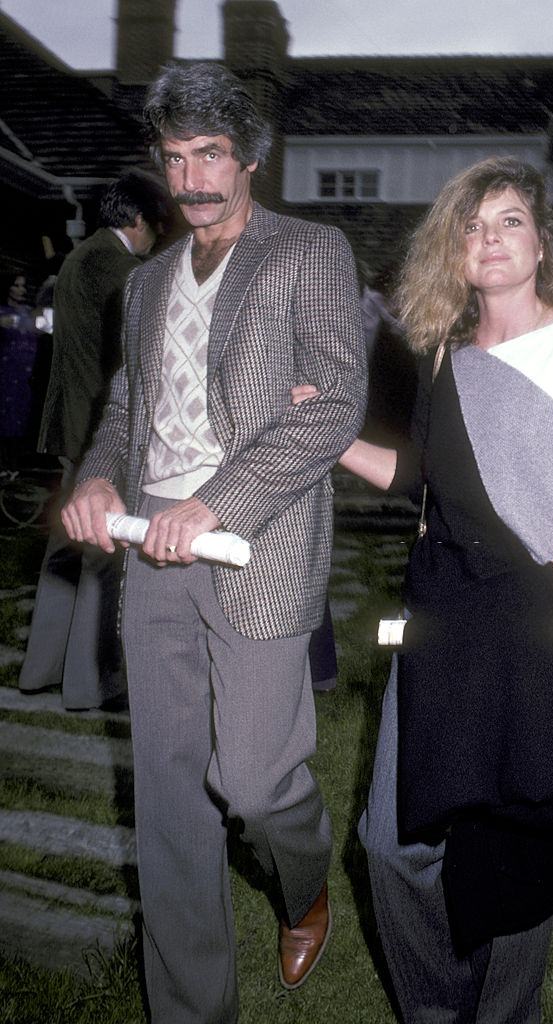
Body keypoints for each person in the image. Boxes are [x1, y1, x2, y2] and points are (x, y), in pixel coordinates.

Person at [293, 157, 553, 1022]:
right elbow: (425, 476)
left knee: (511, 841)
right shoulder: (448, 355)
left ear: (540, 246)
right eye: (471, 224)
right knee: (392, 842)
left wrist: (540, 596)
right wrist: (334, 436)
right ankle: (435, 1009)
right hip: (444, 617)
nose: (488, 238)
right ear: (451, 251)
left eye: (509, 222)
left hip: (529, 620)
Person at [60, 61, 367, 1022]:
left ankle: (303, 881)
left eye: (211, 155)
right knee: (167, 798)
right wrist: (98, 476)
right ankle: (191, 1009)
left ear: (250, 160)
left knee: (255, 780)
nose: (191, 178)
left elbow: (334, 409)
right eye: (176, 156)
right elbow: (124, 409)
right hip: (149, 548)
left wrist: (220, 503)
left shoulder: (307, 253)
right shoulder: (146, 285)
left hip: (256, 549)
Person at [19, 171, 171, 710]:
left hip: (69, 419)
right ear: (138, 220)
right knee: (102, 552)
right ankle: (91, 683)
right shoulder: (123, 269)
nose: (158, 236)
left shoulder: (81, 257)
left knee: (66, 546)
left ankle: (42, 670)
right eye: (156, 226)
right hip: (98, 427)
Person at [0, 273, 40, 467]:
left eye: (23, 286)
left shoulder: (29, 313)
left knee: (21, 417)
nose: (21, 290)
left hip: (26, 375)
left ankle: (14, 464)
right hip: (6, 373)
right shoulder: (2, 313)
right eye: (17, 285)